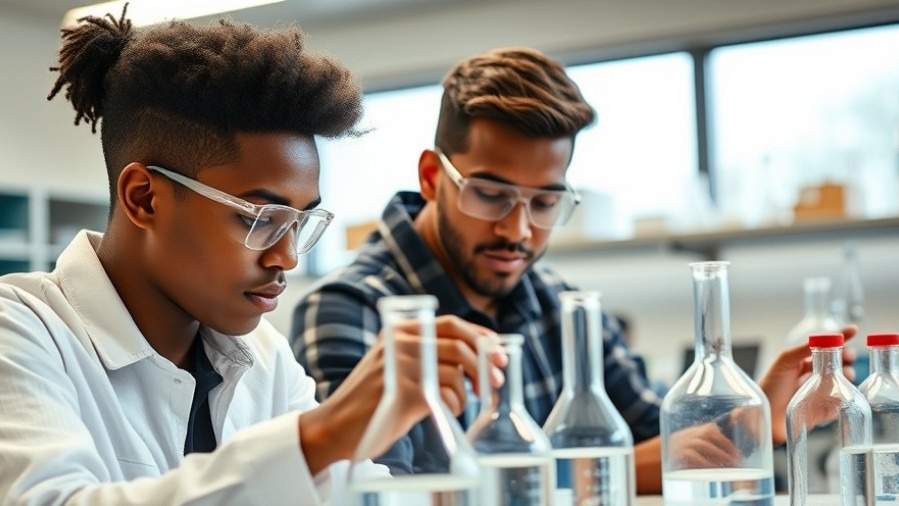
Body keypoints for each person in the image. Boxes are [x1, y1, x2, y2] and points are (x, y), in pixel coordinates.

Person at [290, 46, 858, 493]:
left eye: (544, 203)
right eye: (491, 195)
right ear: (434, 179)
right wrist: (619, 471)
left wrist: (756, 416)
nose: (517, 231)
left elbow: (664, 438)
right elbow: (383, 491)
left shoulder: (560, 304)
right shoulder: (349, 309)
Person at [0, 9, 472, 505]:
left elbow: (358, 494)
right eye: (258, 218)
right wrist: (319, 435)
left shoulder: (262, 355)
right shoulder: (21, 331)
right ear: (145, 198)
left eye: (298, 222)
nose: (286, 258)